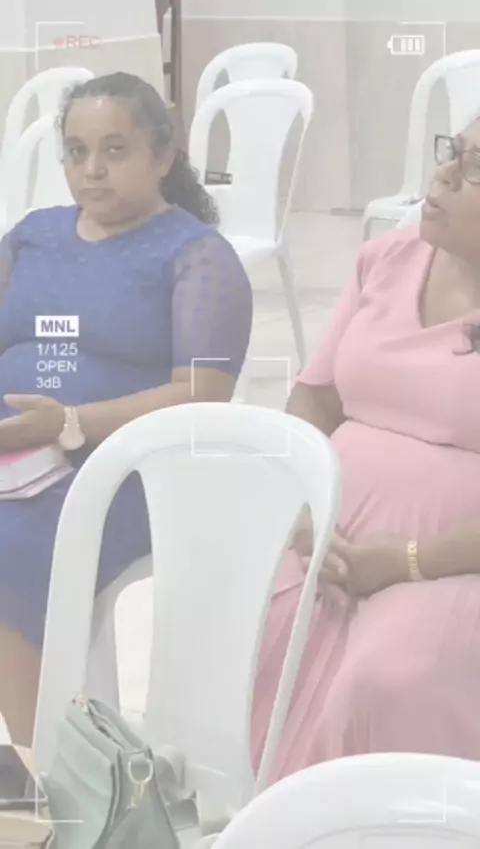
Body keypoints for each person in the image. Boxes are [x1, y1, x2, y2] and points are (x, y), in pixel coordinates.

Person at [0, 72, 252, 744]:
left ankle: (38, 767)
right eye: (76, 152)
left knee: (5, 550)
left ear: (162, 156)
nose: (92, 170)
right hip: (15, 450)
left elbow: (203, 396)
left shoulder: (197, 257)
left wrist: (71, 424)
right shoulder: (32, 236)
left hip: (125, 472)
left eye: (115, 150)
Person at [252, 123, 480, 780]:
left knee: (388, 679)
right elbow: (313, 401)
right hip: (329, 547)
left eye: (476, 168)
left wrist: (409, 560)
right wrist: (305, 516)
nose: (442, 176)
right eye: (451, 154)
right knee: (241, 629)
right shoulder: (388, 258)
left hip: (454, 565)